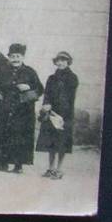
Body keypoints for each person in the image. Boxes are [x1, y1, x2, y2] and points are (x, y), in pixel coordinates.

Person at [0, 43, 44, 173]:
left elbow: (40, 89)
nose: (15, 59)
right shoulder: (2, 70)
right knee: (4, 134)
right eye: (13, 56)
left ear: (23, 57)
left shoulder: (30, 72)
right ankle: (2, 163)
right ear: (9, 57)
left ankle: (18, 165)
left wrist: (28, 88)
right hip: (5, 107)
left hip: (23, 110)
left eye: (18, 56)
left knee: (20, 136)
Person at [36, 51, 79, 179]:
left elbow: (69, 97)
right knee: (51, 142)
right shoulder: (51, 78)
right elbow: (47, 94)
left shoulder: (72, 78)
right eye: (58, 60)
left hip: (65, 114)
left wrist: (61, 115)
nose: (60, 63)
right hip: (51, 113)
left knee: (62, 143)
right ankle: (51, 168)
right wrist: (46, 104)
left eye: (63, 60)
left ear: (68, 62)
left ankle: (59, 169)